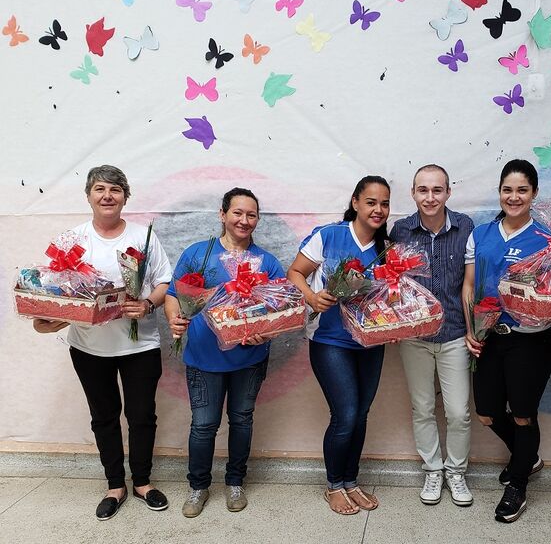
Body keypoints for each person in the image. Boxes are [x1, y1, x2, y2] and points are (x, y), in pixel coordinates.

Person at [33, 165, 172, 520]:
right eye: (99, 189)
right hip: (89, 348)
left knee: (142, 416)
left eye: (115, 189)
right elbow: (55, 290)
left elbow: (163, 283)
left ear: (125, 196)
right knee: (104, 417)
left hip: (140, 345)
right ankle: (115, 484)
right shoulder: (72, 240)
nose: (107, 195)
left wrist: (148, 304)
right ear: (89, 196)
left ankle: (142, 481)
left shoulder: (144, 237)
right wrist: (49, 317)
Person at [463, 159, 551, 523]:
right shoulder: (480, 234)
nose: (514, 197)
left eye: (522, 190)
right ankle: (526, 458)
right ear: (499, 192)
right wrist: (471, 327)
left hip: (531, 342)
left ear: (534, 194)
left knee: (524, 416)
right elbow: (468, 284)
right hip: (489, 337)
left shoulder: (547, 238)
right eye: (507, 190)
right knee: (487, 413)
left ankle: (519, 484)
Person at [165, 188, 285, 518]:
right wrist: (175, 320)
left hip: (249, 359)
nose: (244, 220)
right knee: (204, 425)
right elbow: (174, 293)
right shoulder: (199, 255)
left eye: (251, 215)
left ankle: (235, 482)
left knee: (242, 420)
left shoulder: (268, 263)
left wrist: (267, 330)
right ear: (222, 215)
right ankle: (198, 487)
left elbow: (283, 307)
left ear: (257, 220)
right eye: (237, 213)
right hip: (204, 359)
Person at [287, 176, 390, 515]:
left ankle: (351, 481)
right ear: (356, 202)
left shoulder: (384, 248)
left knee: (360, 415)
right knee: (345, 415)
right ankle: (333, 485)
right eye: (371, 201)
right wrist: (312, 297)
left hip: (371, 342)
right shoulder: (329, 235)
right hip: (331, 340)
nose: (378, 209)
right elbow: (295, 273)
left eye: (384, 204)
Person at [388, 164, 475, 507]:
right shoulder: (400, 231)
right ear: (413, 193)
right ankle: (433, 470)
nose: (430, 197)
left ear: (448, 193)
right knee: (422, 407)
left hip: (454, 333)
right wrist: (394, 322)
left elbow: (469, 285)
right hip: (415, 337)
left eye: (437, 190)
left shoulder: (466, 227)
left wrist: (471, 330)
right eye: (423, 190)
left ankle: (456, 471)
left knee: (458, 412)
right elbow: (392, 285)